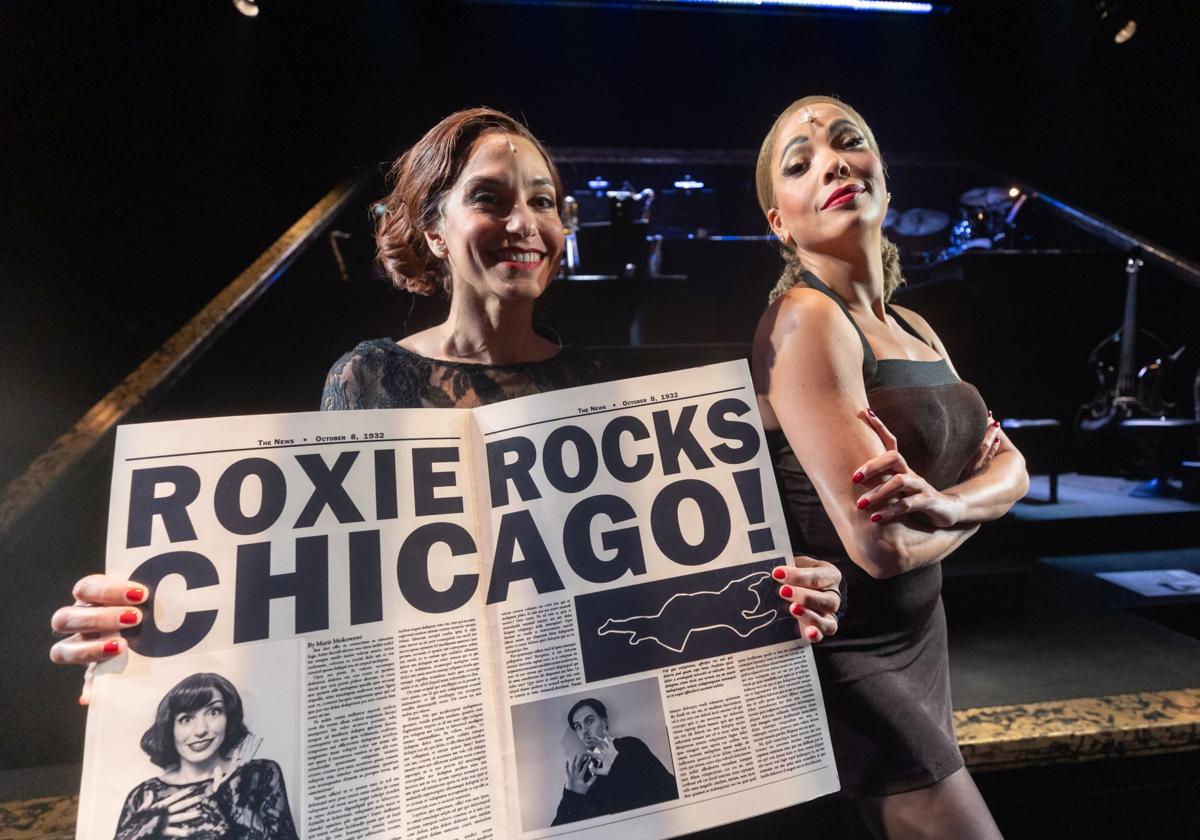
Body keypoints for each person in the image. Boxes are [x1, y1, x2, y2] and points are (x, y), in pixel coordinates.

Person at [51, 107, 842, 683]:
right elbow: (312, 586)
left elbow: (646, 583)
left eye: (542, 200)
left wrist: (773, 590)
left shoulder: (598, 387)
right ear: (434, 230)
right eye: (490, 198)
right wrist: (145, 629)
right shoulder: (368, 378)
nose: (523, 221)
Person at [751, 95, 1029, 840]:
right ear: (780, 220)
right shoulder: (805, 321)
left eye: (850, 143)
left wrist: (952, 507)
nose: (833, 161)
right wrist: (977, 500)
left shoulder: (915, 326)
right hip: (858, 666)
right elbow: (885, 549)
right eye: (800, 163)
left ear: (884, 177)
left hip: (922, 645)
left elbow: (1018, 468)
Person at [114, 672, 298, 840]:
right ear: (170, 729)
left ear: (228, 717)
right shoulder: (145, 794)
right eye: (186, 719)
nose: (201, 730)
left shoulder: (260, 774)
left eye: (213, 712)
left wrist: (235, 803)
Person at [552, 698, 677, 826]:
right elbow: (557, 829)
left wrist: (618, 765)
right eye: (578, 726)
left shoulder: (630, 746)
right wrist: (572, 797)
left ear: (605, 722)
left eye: (589, 721)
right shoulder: (579, 773)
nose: (584, 731)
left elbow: (669, 790)